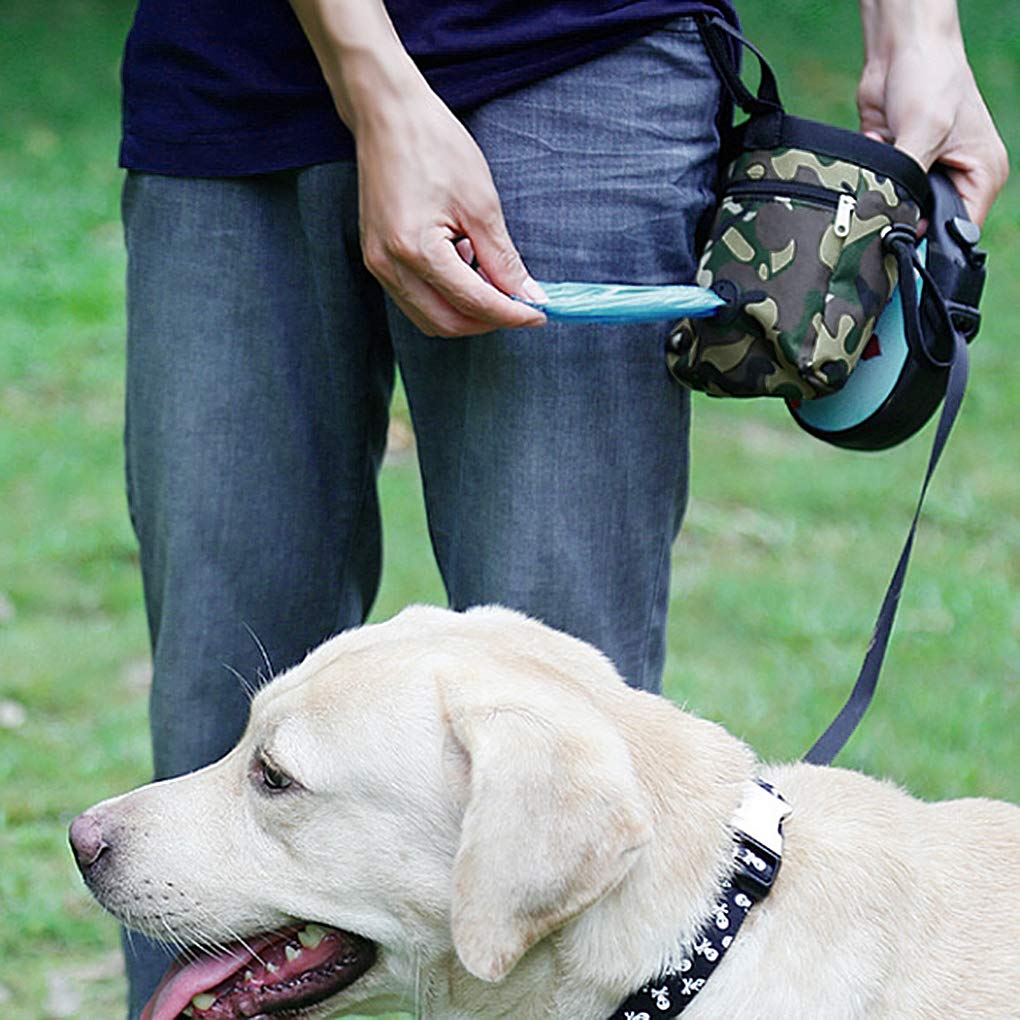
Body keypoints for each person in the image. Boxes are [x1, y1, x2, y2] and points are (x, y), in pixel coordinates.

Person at [115, 0, 1006, 1015]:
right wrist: (377, 81)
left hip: (587, 66)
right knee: (218, 726)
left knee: (570, 775)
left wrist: (918, 27)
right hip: (233, 73)